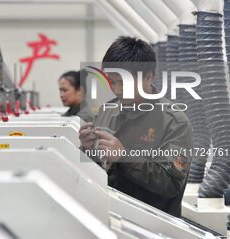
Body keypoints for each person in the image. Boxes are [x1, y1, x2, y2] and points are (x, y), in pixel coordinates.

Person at [79, 36, 193, 217]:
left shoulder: (173, 121)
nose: (117, 90)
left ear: (149, 76)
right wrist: (87, 150)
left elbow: (171, 184)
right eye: (112, 81)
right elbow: (98, 170)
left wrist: (124, 156)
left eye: (124, 83)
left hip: (153, 225)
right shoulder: (107, 111)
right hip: (110, 216)